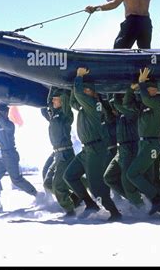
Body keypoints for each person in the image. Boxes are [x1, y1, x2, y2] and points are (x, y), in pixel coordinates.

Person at [64, 68, 122, 221]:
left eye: (86, 90)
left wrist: (78, 77)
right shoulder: (85, 106)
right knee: (69, 176)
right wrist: (72, 83)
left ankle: (115, 213)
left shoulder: (95, 105)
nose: (83, 91)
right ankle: (90, 204)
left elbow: (78, 95)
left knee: (98, 189)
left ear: (92, 92)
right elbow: (73, 101)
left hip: (96, 150)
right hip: (86, 150)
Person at [125, 68, 160, 218]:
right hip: (143, 145)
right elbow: (127, 104)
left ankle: (158, 200)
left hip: (151, 145)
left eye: (151, 89)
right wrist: (131, 90)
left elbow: (146, 98)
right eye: (148, 88)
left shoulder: (156, 104)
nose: (149, 91)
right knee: (148, 179)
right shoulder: (143, 107)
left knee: (132, 174)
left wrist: (141, 83)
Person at [0, 104, 38, 211]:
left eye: (3, 112)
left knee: (16, 180)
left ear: (7, 113)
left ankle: (37, 195)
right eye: (1, 112)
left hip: (11, 155)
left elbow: (2, 122)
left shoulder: (9, 125)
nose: (2, 114)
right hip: (4, 156)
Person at [41, 88, 87, 217]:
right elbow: (48, 102)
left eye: (56, 99)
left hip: (65, 154)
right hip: (57, 154)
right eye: (54, 99)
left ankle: (70, 210)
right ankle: (79, 195)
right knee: (48, 183)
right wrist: (51, 87)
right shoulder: (53, 114)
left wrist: (64, 92)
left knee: (58, 186)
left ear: (62, 101)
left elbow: (65, 102)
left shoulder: (66, 115)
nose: (53, 101)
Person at [103, 92, 144, 207]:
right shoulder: (120, 115)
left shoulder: (132, 112)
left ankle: (141, 207)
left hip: (130, 148)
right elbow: (109, 111)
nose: (113, 108)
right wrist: (101, 100)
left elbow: (117, 104)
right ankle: (134, 199)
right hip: (120, 150)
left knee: (127, 181)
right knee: (109, 177)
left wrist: (116, 90)